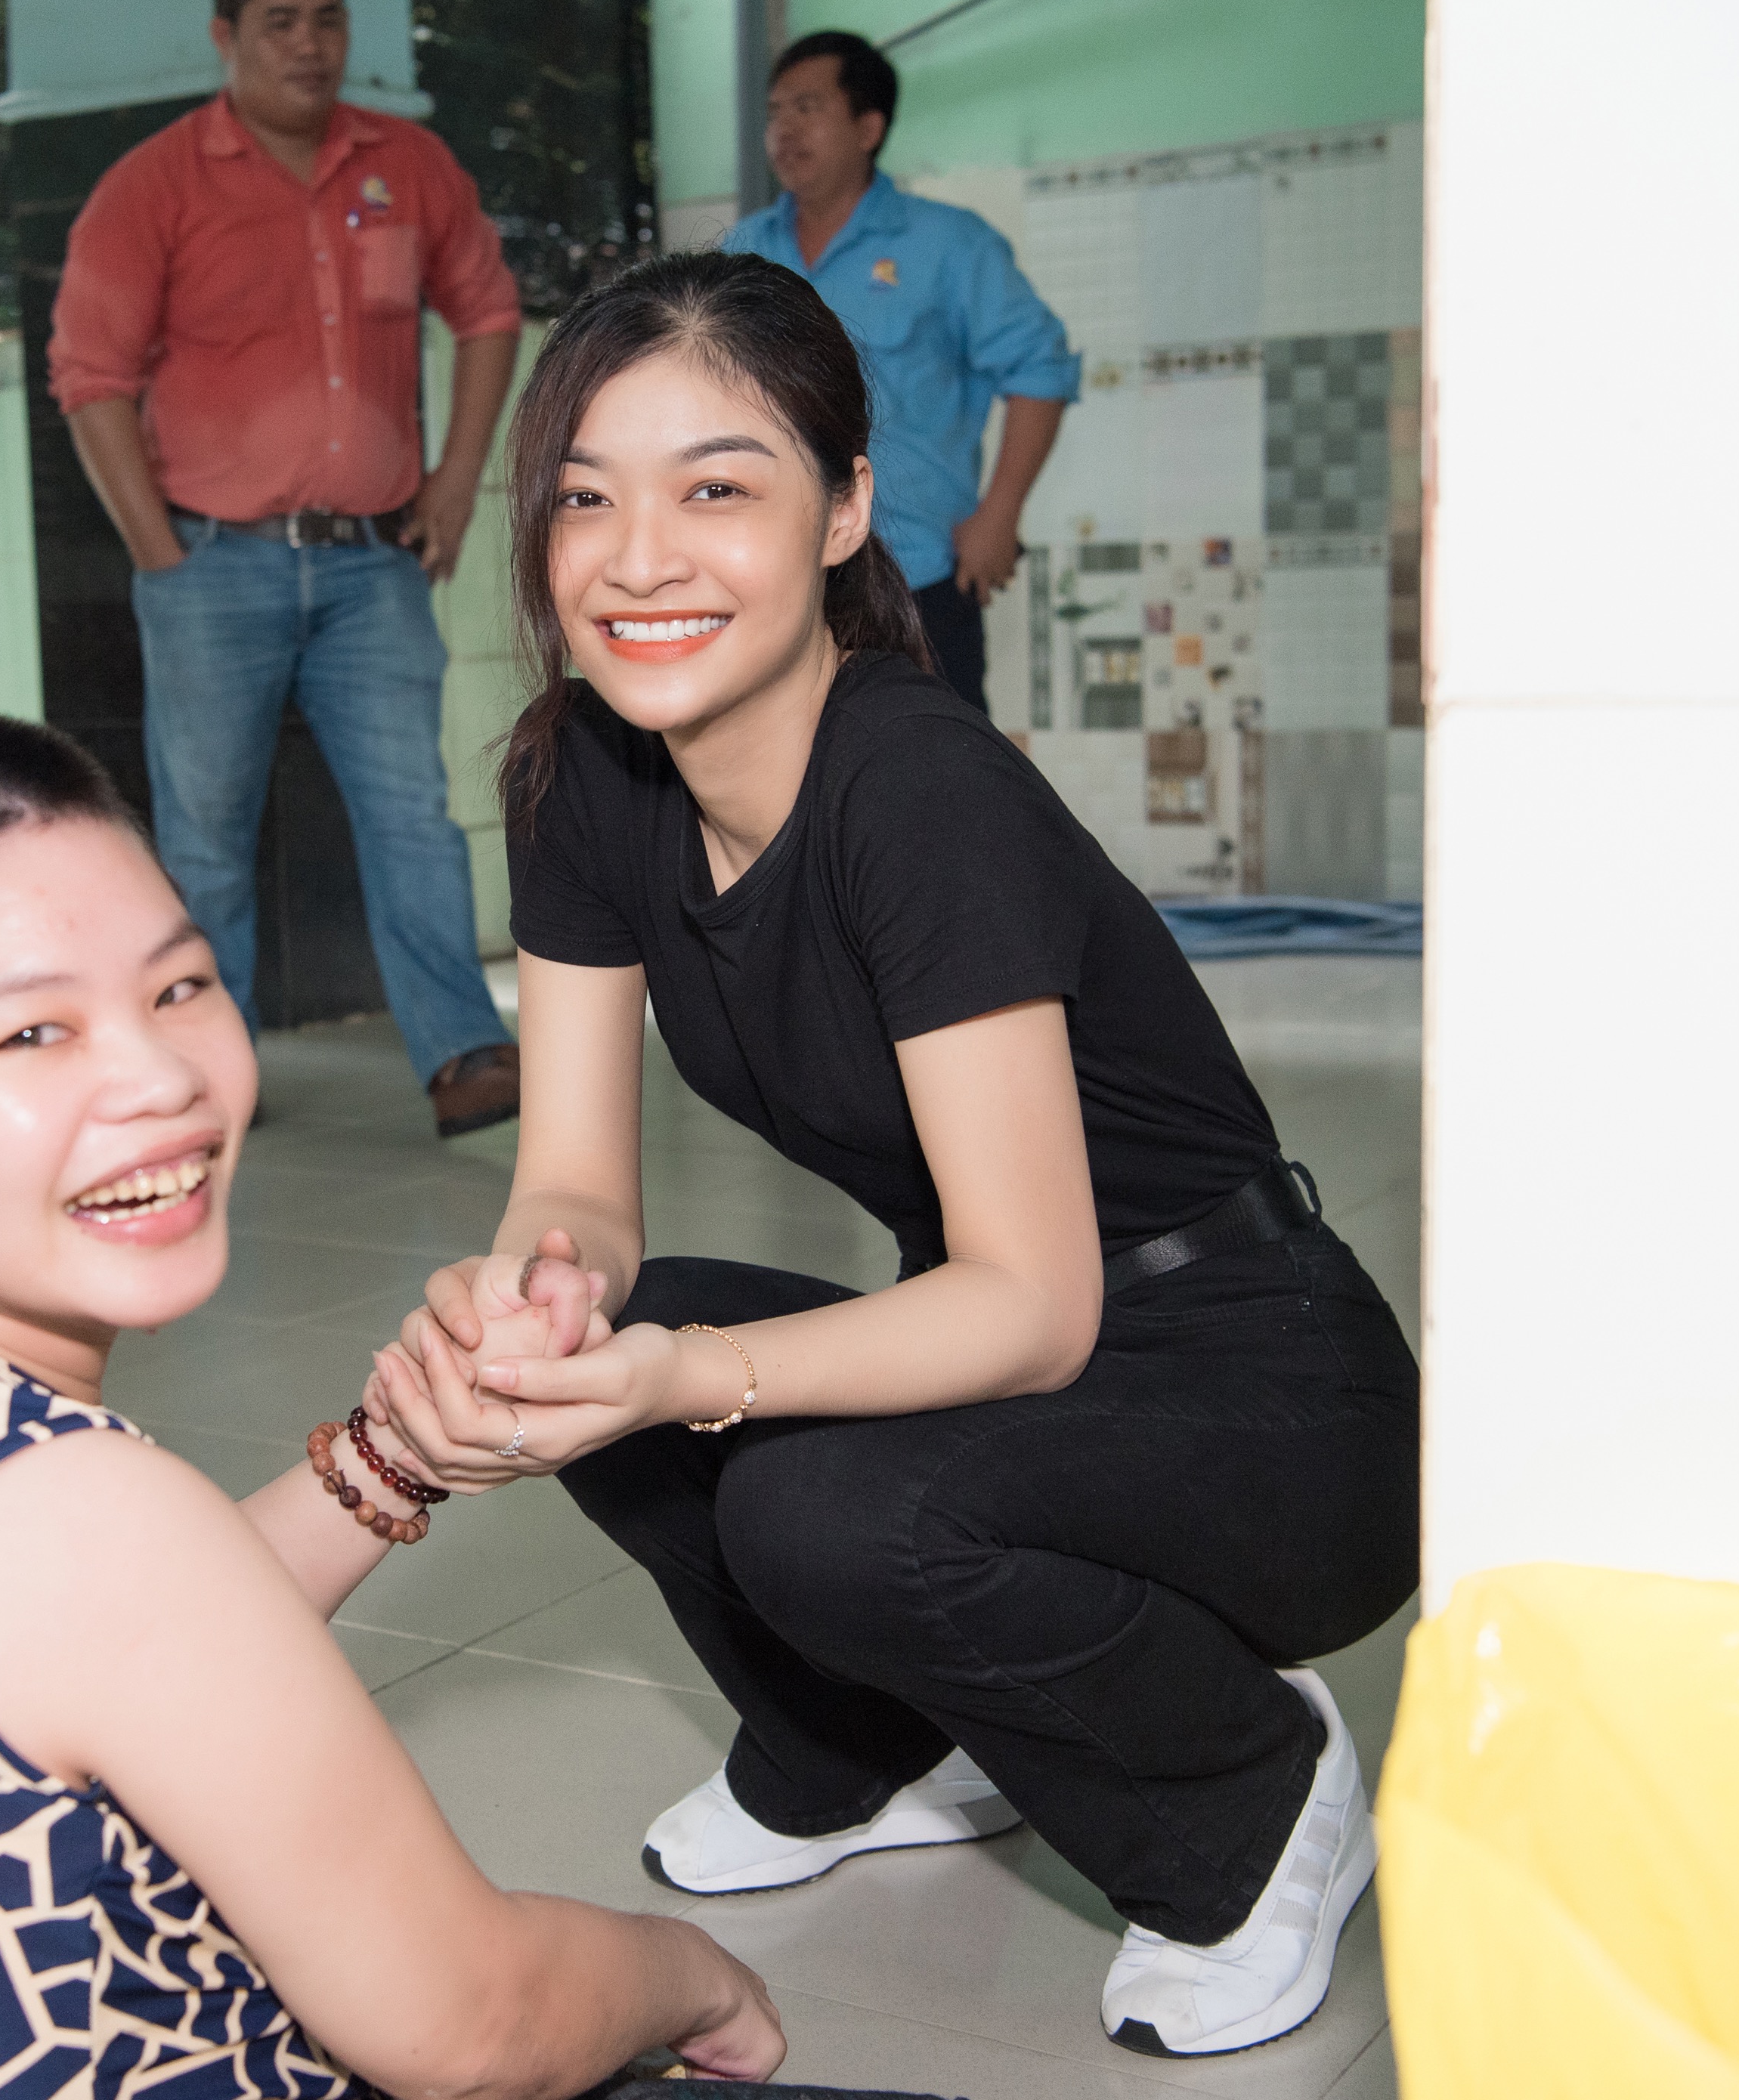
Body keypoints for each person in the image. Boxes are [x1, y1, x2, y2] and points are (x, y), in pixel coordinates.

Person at [366, 254, 1421, 2060]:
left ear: (844, 508)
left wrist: (688, 1373)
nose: (636, 560)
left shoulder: (916, 789)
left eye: (715, 489)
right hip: (1032, 1352)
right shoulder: (579, 776)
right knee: (615, 1346)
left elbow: (1026, 1305)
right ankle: (853, 1747)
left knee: (807, 1494)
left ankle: (1243, 1802)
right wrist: (537, 1299)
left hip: (1266, 1401)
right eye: (585, 500)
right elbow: (578, 1186)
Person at [0, 716, 811, 2099]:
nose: (163, 1079)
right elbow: (474, 2027)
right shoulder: (85, 1520)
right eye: (32, 1030)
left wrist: (395, 1452)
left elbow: (102, 1644)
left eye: (178, 987)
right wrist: (698, 1974)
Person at [52, 0, 523, 1139]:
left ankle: (464, 1053)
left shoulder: (406, 164)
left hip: (374, 566)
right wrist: (159, 554)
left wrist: (456, 479)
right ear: (226, 35)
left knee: (413, 815)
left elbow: (487, 310)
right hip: (211, 565)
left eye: (327, 20)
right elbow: (89, 375)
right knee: (204, 839)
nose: (309, 45)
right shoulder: (153, 185)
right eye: (280, 24)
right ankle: (208, 1073)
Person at [719, 31, 1076, 715]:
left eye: (807, 108)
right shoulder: (742, 251)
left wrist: (999, 514)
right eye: (774, 112)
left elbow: (1041, 369)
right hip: (776, 583)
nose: (784, 130)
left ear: (868, 127)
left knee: (935, 771)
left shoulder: (947, 243)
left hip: (917, 580)